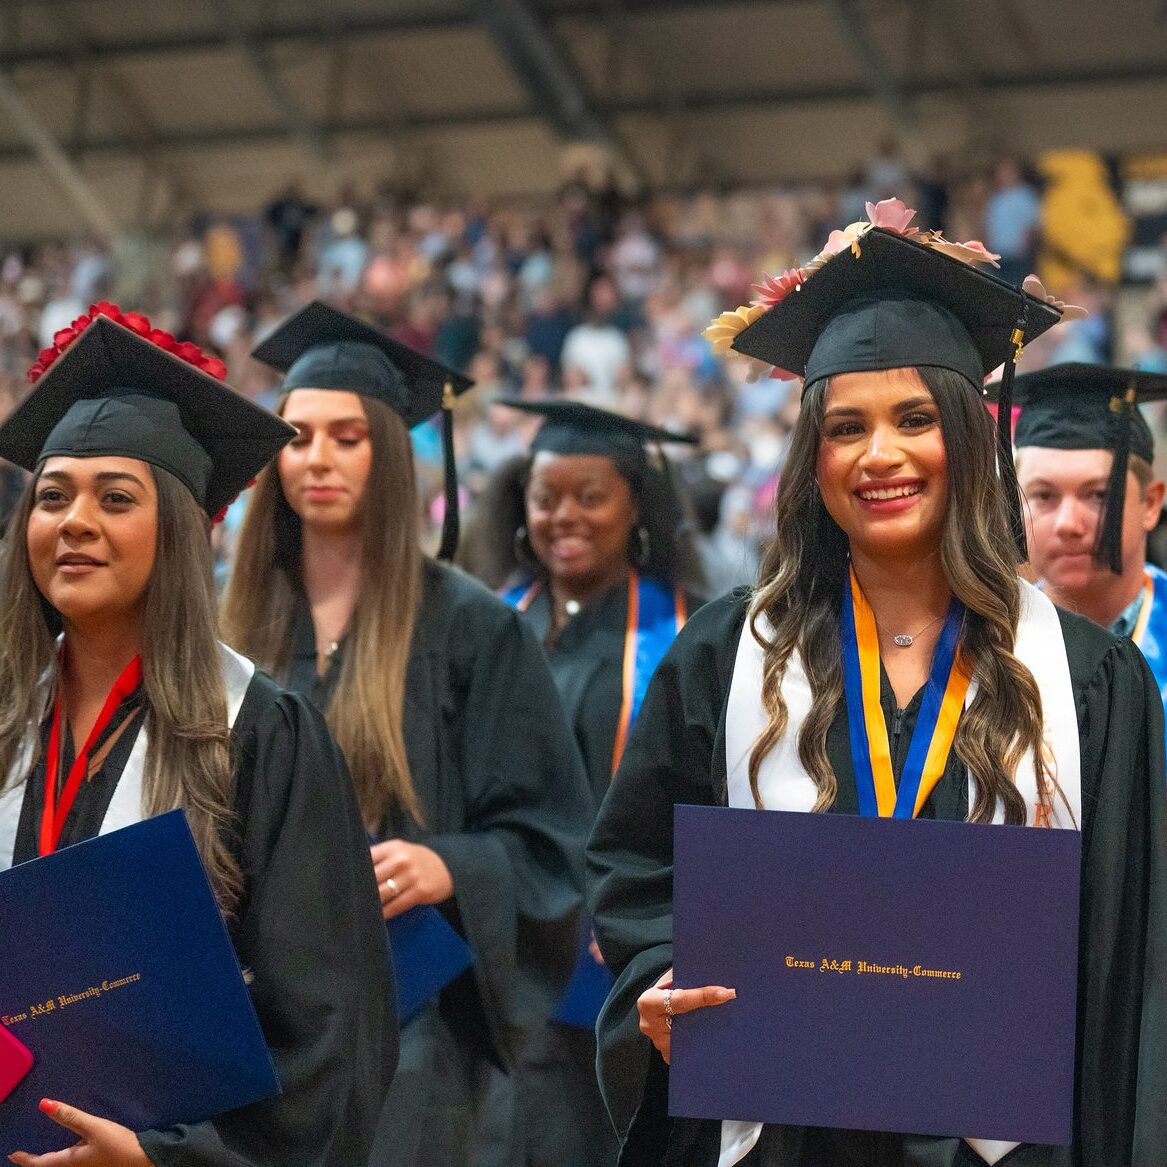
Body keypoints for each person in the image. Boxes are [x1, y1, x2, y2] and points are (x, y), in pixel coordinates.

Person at [589, 203, 1167, 1166]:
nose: (880, 455)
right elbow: (639, 872)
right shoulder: (726, 653)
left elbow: (1133, 953)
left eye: (914, 420)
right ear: (811, 461)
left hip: (1006, 1140)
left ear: (971, 442)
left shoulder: (1087, 676)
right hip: (786, 1133)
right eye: (845, 427)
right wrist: (657, 982)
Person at [0, 304, 396, 1167]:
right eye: (52, 496)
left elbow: (324, 1022)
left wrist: (165, 1157)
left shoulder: (261, 731)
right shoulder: (5, 725)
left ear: (177, 530)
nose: (72, 521)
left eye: (115, 498)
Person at [220, 300, 592, 1167]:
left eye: (347, 436)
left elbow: (550, 833)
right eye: (298, 435)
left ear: (389, 454)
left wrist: (447, 864)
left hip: (407, 1010)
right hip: (256, 1009)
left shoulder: (470, 629)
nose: (316, 458)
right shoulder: (231, 628)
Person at [466, 398, 704, 1167]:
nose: (564, 515)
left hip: (614, 966)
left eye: (590, 496)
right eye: (546, 497)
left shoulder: (689, 639)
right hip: (498, 958)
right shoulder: (484, 626)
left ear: (636, 503)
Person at [1008, 363, 1167, 707]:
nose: (1069, 523)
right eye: (1044, 495)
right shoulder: (986, 645)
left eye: (1099, 496)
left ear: (1151, 504)